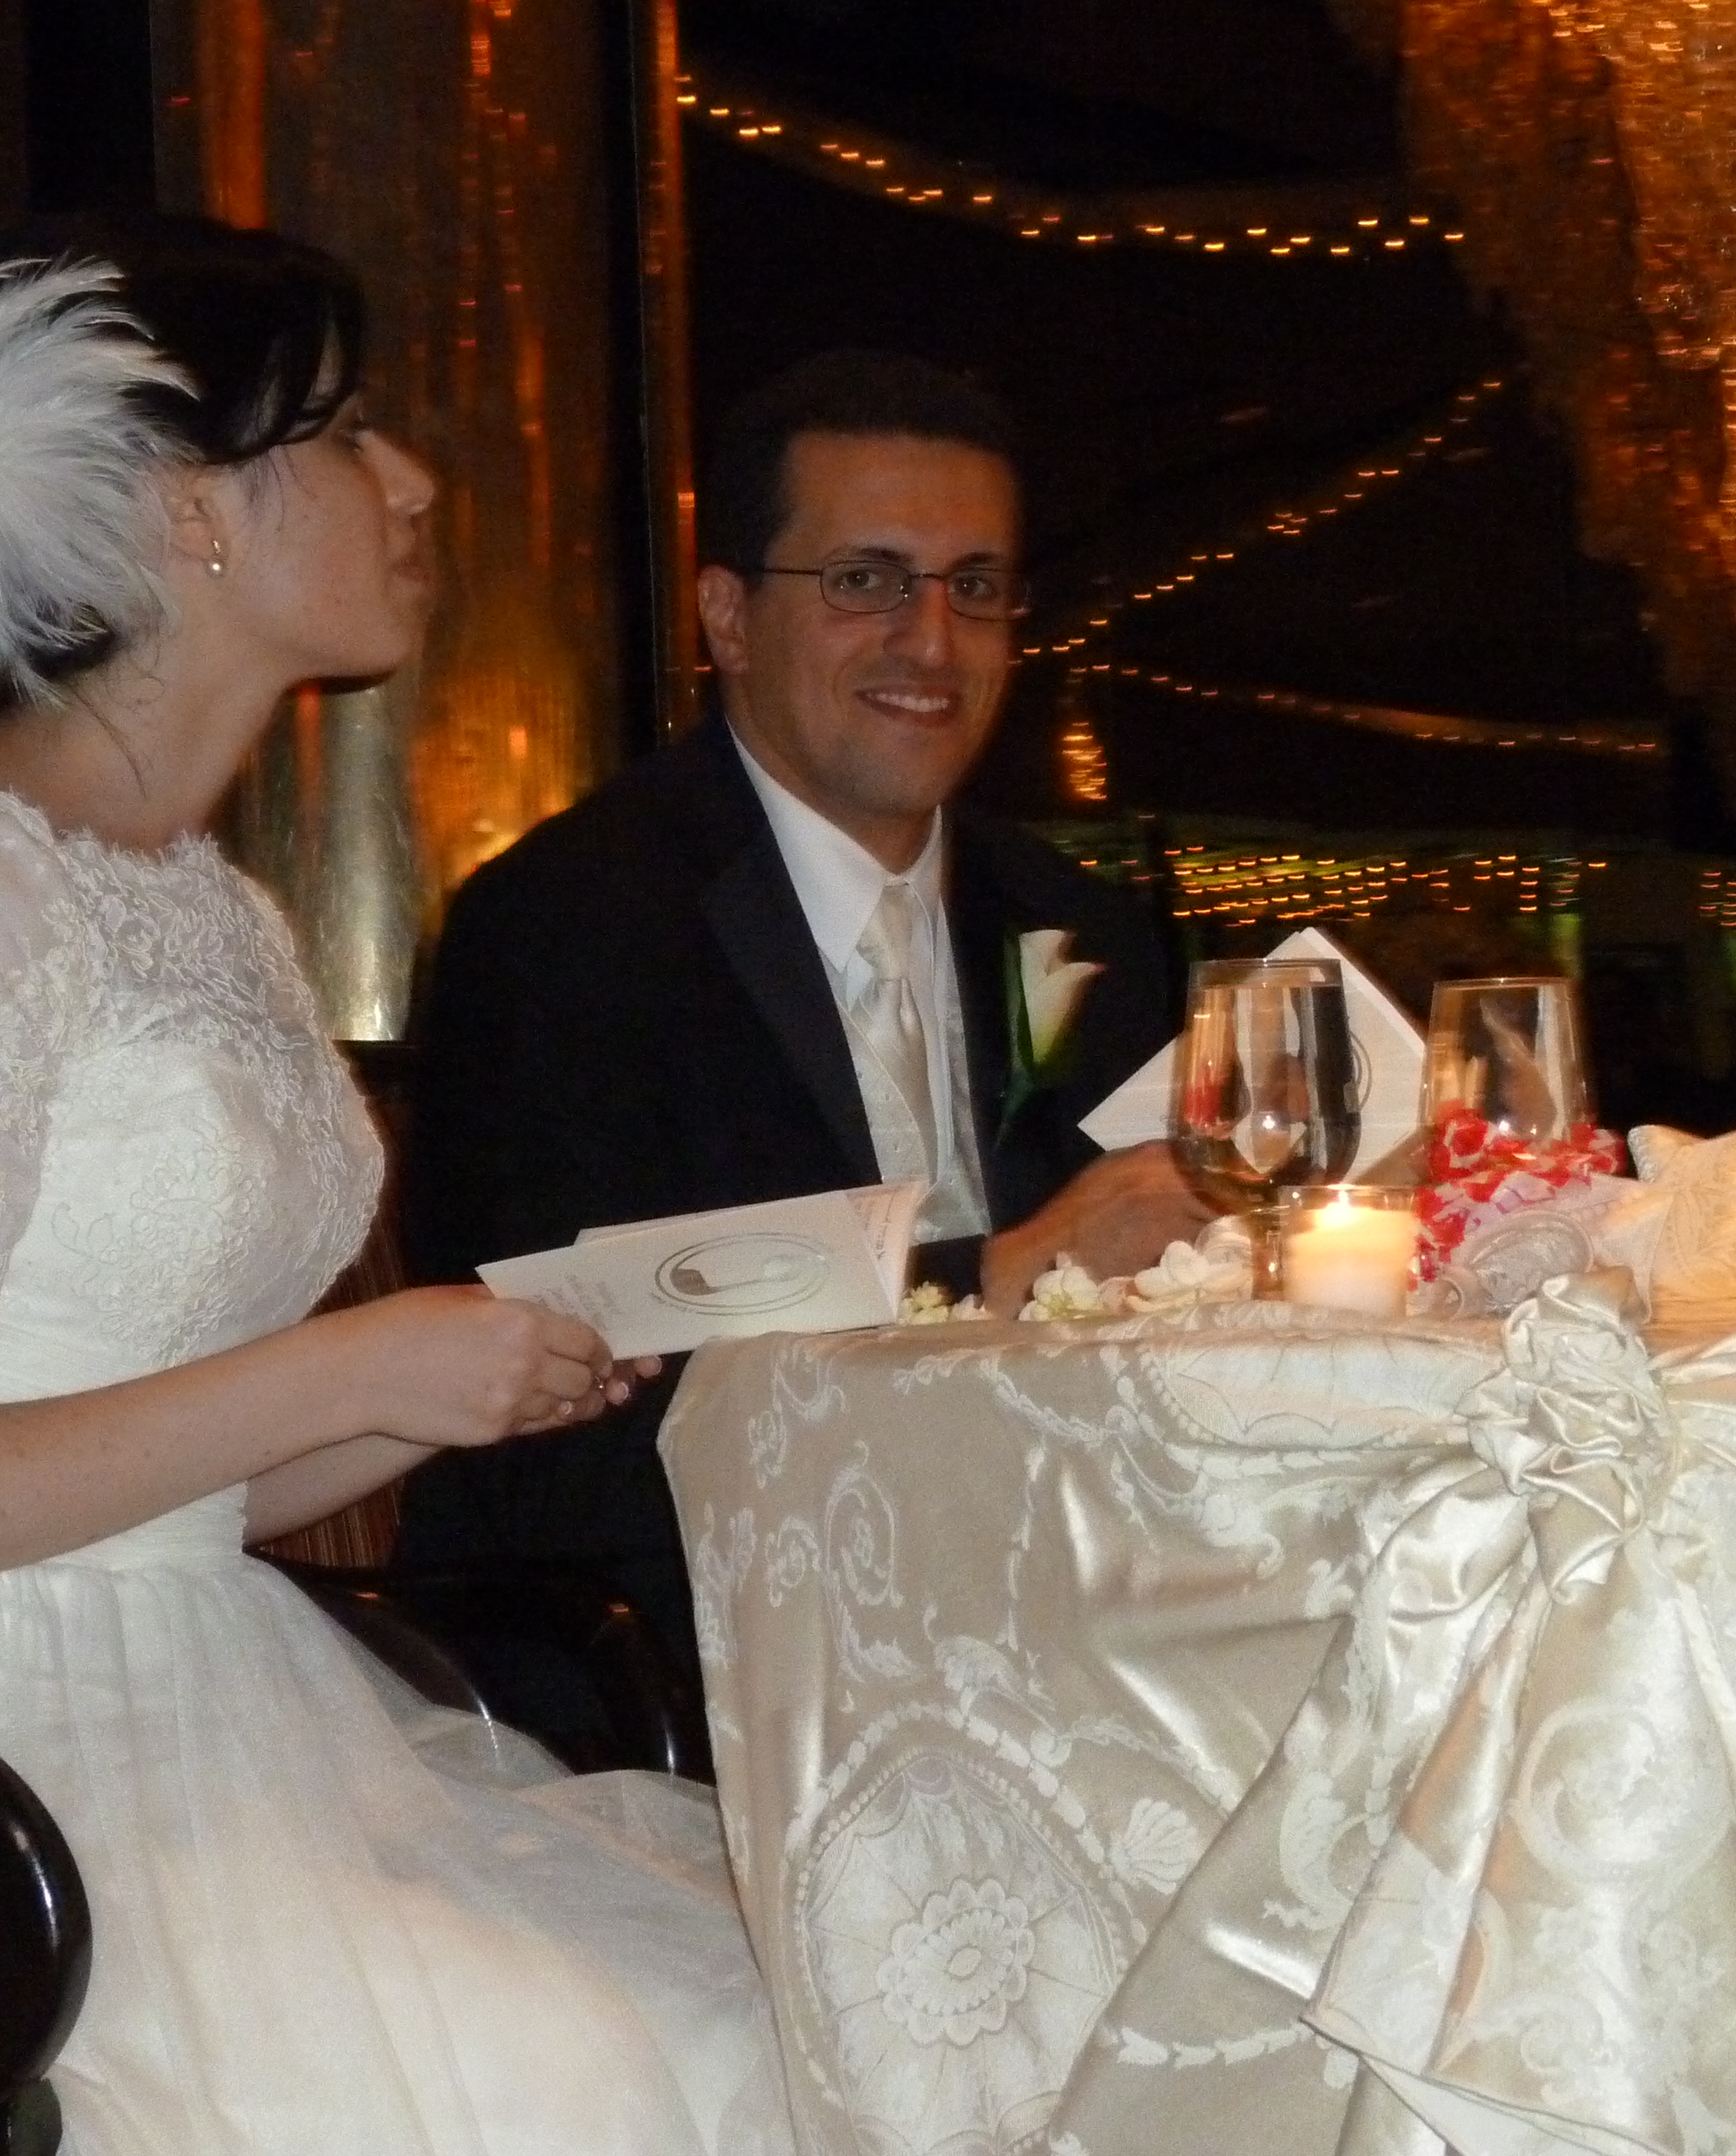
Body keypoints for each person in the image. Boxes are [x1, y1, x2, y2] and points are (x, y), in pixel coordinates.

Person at [0, 219, 797, 2156]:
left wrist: (444, 1387)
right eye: (345, 432)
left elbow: (172, 1493)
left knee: (739, 2001)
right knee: (581, 2079)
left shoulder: (202, 901)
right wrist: (350, 1360)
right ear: (190, 508)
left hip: (200, 1703)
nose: (410, 481)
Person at [394, 348, 1210, 1694]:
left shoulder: (1083, 932)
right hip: (703, 1652)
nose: (931, 642)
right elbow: (559, 1416)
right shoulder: (568, 927)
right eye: (865, 582)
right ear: (727, 615)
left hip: (1080, 1605)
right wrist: (1003, 1272)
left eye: (975, 588)